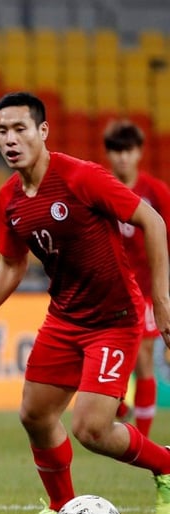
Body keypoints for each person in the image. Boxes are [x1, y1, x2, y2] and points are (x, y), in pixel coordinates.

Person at [0, 92, 170, 514]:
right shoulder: (9, 198)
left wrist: (161, 303)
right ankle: (61, 507)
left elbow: (154, 222)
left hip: (113, 319)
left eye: (19, 129)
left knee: (92, 429)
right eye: (1, 130)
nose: (9, 139)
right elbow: (11, 266)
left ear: (43, 132)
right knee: (35, 415)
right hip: (65, 318)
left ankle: (166, 467)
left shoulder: (81, 177)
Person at [104, 119, 170, 438]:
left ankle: (141, 437)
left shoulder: (156, 193)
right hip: (109, 290)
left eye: (128, 150)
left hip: (144, 290)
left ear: (139, 153)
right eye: (116, 151)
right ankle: (117, 404)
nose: (122, 158)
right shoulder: (100, 189)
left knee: (142, 357)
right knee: (106, 353)